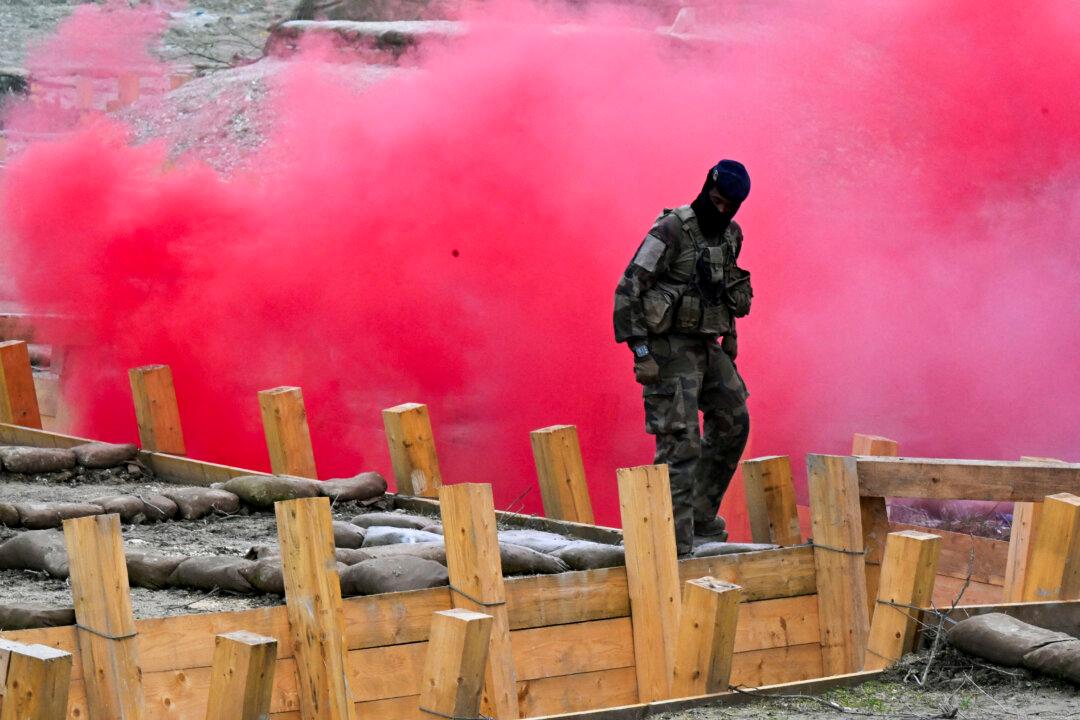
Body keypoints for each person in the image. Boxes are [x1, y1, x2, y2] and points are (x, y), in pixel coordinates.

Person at [613, 160, 753, 556]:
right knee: (681, 443)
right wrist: (640, 351)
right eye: (717, 201)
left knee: (734, 420)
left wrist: (731, 337)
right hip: (668, 349)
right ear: (706, 189)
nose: (722, 210)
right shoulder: (671, 229)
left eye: (731, 206)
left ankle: (701, 518)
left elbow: (726, 286)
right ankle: (673, 548)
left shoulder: (731, 235)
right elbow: (628, 289)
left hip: (707, 346)